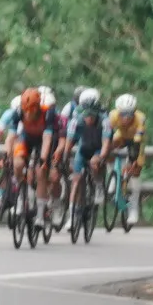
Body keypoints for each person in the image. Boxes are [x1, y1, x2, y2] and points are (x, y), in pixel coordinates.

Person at [65, 88, 111, 219]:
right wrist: (66, 158)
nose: (88, 118)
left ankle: (98, 186)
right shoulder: (76, 119)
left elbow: (106, 142)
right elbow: (69, 141)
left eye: (91, 115)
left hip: (98, 147)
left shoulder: (105, 120)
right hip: (83, 148)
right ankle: (72, 213)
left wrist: (101, 157)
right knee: (76, 178)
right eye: (86, 115)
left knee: (94, 163)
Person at [12, 87, 55, 226]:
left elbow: (48, 138)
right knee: (17, 164)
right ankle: (20, 195)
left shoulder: (48, 113)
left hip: (42, 140)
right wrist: (8, 153)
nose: (28, 113)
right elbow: (11, 136)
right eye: (26, 109)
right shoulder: (18, 112)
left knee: (41, 172)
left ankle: (40, 215)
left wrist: (43, 159)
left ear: (38, 107)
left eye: (31, 109)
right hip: (26, 138)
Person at [108, 92, 147, 225]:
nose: (126, 117)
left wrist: (134, 159)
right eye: (123, 114)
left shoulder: (140, 119)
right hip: (121, 135)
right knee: (110, 145)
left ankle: (134, 207)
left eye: (130, 114)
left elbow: (137, 142)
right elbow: (107, 134)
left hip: (136, 139)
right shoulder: (113, 116)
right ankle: (113, 175)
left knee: (135, 169)